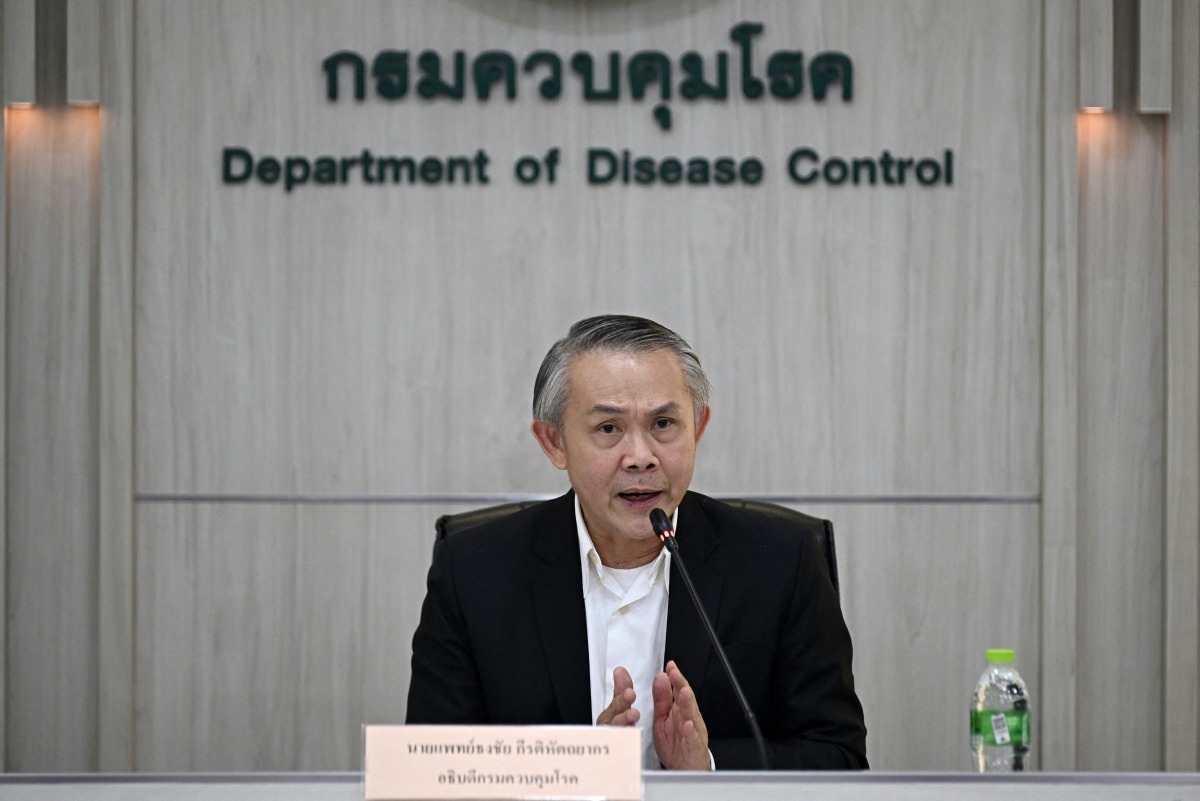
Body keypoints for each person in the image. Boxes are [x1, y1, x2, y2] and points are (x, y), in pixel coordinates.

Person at [406, 315, 867, 770]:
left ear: (698, 428)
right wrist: (578, 771)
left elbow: (839, 758)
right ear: (554, 442)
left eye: (664, 424)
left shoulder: (780, 562)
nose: (642, 457)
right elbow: (431, 772)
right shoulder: (474, 571)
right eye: (609, 429)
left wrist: (703, 769)